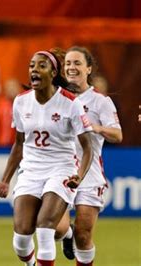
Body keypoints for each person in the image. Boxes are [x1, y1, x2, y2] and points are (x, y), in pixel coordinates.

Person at [0, 50, 93, 266]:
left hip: (61, 169)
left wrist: (79, 176)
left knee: (45, 229)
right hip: (31, 170)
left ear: (54, 72)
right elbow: (19, 144)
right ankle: (56, 243)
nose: (34, 70)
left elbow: (87, 147)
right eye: (31, 65)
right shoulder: (20, 102)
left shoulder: (70, 103)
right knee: (21, 239)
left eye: (41, 66)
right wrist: (5, 180)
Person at [55, 46, 122, 265]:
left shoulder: (100, 101)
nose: (71, 68)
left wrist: (96, 127)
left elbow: (118, 135)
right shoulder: (56, 98)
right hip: (60, 170)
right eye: (68, 64)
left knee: (84, 235)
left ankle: (76, 238)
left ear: (88, 68)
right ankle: (67, 235)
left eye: (77, 63)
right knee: (56, 229)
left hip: (89, 174)